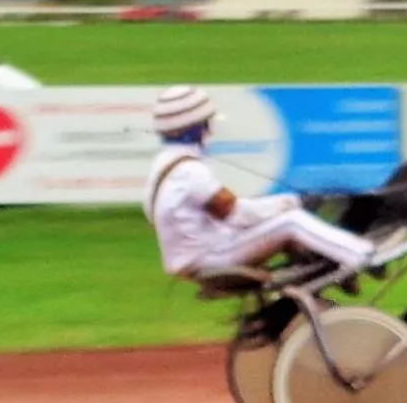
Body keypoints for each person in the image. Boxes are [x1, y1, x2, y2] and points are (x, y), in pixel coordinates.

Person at [145, 85, 380, 281]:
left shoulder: (162, 167)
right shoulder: (189, 172)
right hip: (210, 257)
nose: (211, 131)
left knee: (279, 221)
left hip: (194, 256)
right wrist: (293, 202)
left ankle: (328, 263)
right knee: (291, 222)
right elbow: (237, 213)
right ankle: (363, 255)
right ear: (196, 129)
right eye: (207, 124)